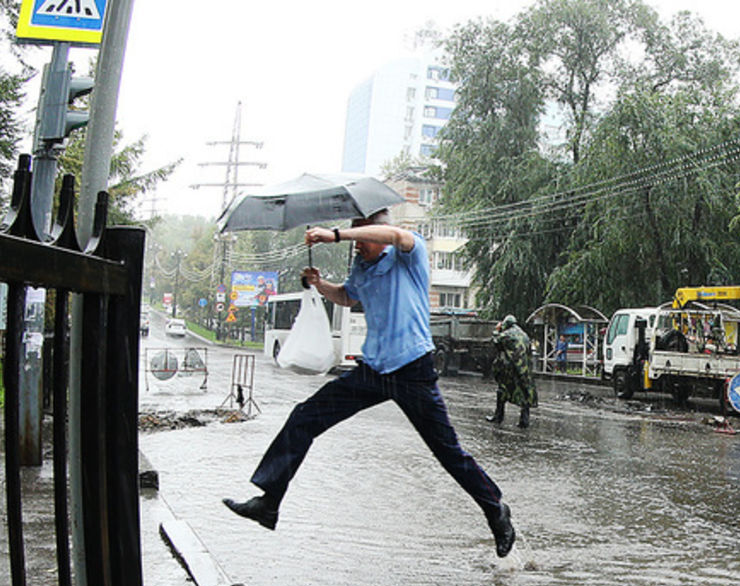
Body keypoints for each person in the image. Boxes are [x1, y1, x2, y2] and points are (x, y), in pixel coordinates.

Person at [223, 210, 516, 558]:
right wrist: (320, 285)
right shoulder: (362, 268)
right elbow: (347, 296)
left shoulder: (410, 254)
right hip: (373, 371)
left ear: (380, 234)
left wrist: (335, 235)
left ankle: (495, 509)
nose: (357, 245)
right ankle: (269, 502)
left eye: (362, 238)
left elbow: (396, 235)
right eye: (354, 238)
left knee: (447, 452)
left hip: (412, 370)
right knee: (305, 417)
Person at [486, 315, 537, 428]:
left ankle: (498, 417)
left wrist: (496, 330)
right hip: (525, 369)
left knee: (502, 390)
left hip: (511, 368)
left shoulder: (507, 334)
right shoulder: (524, 334)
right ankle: (524, 421)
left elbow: (495, 342)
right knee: (525, 392)